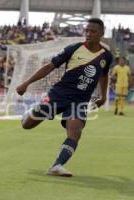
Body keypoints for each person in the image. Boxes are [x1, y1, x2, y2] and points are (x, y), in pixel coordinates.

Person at [16, 18, 113, 177]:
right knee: (27, 125)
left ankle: (57, 166)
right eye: (86, 31)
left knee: (75, 132)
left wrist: (102, 96)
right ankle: (29, 114)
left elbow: (104, 75)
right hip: (58, 95)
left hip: (79, 101)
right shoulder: (74, 49)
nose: (88, 34)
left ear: (101, 33)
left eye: (92, 31)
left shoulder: (106, 56)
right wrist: (26, 83)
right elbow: (49, 66)